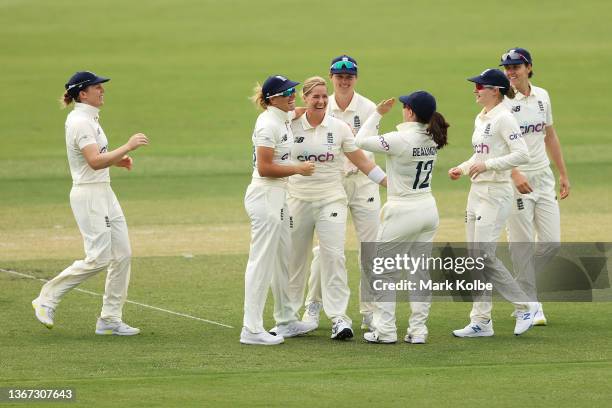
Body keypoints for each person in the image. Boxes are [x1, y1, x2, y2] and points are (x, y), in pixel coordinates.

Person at [32, 71, 148, 335]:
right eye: (97, 87)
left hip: (104, 191)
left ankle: (109, 319)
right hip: (88, 194)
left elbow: (97, 156)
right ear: (82, 93)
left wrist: (118, 160)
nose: (102, 91)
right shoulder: (79, 121)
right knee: (98, 258)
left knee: (123, 254)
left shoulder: (90, 118)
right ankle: (47, 298)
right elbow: (94, 162)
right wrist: (128, 147)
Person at [275, 76, 385, 340]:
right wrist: (294, 113)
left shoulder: (339, 128)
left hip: (331, 199)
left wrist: (388, 181)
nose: (322, 101)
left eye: (324, 96)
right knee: (295, 259)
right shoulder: (289, 125)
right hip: (298, 199)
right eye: (316, 96)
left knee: (333, 256)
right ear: (305, 97)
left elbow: (362, 161)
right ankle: (289, 318)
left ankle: (339, 318)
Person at [448, 68, 538, 337]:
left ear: (495, 91)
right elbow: (479, 155)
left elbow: (521, 154)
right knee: (475, 257)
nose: (475, 90)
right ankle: (481, 321)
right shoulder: (482, 117)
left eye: (480, 87)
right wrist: (462, 168)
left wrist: (487, 165)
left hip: (497, 193)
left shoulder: (504, 118)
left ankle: (524, 306)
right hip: (477, 192)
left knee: (484, 255)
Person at [355, 91, 450, 344]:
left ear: (409, 111)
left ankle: (385, 330)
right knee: (419, 272)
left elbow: (359, 140)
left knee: (385, 271)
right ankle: (418, 330)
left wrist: (376, 113)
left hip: (403, 210)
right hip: (428, 209)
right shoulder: (432, 137)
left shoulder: (400, 139)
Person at [302, 55, 381, 332]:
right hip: (332, 185)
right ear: (332, 77)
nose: (344, 81)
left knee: (371, 249)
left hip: (363, 184)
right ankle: (313, 306)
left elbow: (367, 149)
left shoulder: (369, 108)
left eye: (349, 76)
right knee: (327, 250)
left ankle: (370, 312)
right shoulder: (322, 104)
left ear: (356, 78)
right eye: (339, 76)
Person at [240, 75, 317, 345]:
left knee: (282, 258)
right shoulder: (267, 123)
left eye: (294, 91)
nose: (293, 96)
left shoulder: (282, 116)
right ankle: (251, 329)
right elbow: (264, 167)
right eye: (288, 93)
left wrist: (316, 104)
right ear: (273, 98)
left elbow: (298, 111)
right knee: (261, 261)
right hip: (265, 195)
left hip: (279, 196)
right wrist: (299, 169)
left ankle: (286, 320)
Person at [500, 48, 570, 326]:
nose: (511, 72)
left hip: (543, 178)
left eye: (516, 66)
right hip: (516, 180)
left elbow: (549, 135)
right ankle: (531, 305)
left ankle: (516, 286)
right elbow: (501, 145)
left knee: (552, 244)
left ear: (528, 67)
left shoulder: (542, 95)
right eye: (507, 67)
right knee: (522, 244)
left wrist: (563, 173)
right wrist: (515, 173)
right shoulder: (503, 103)